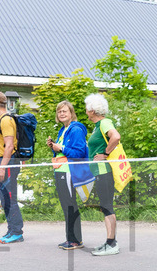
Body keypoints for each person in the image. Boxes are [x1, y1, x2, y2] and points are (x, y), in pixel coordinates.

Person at [47, 100, 93, 250]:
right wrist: (54, 147)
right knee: (66, 205)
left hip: (69, 172)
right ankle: (71, 238)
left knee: (70, 205)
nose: (61, 114)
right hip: (60, 170)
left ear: (71, 113)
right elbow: (63, 150)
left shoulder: (76, 130)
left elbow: (79, 153)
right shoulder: (63, 130)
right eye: (59, 111)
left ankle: (75, 240)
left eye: (64, 111)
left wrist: (61, 147)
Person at [84, 93, 123, 256]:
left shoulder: (105, 122)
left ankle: (112, 243)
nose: (86, 111)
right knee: (105, 206)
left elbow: (116, 137)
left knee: (107, 206)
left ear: (92, 110)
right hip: (98, 170)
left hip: (103, 170)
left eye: (87, 108)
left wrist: (105, 153)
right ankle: (110, 242)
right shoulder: (98, 126)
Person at [0, 91, 24, 244]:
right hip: (2, 160)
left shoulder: (6, 120)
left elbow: (9, 146)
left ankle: (16, 232)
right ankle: (11, 230)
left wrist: (1, 168)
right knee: (4, 198)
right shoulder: (0, 120)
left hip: (7, 161)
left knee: (9, 198)